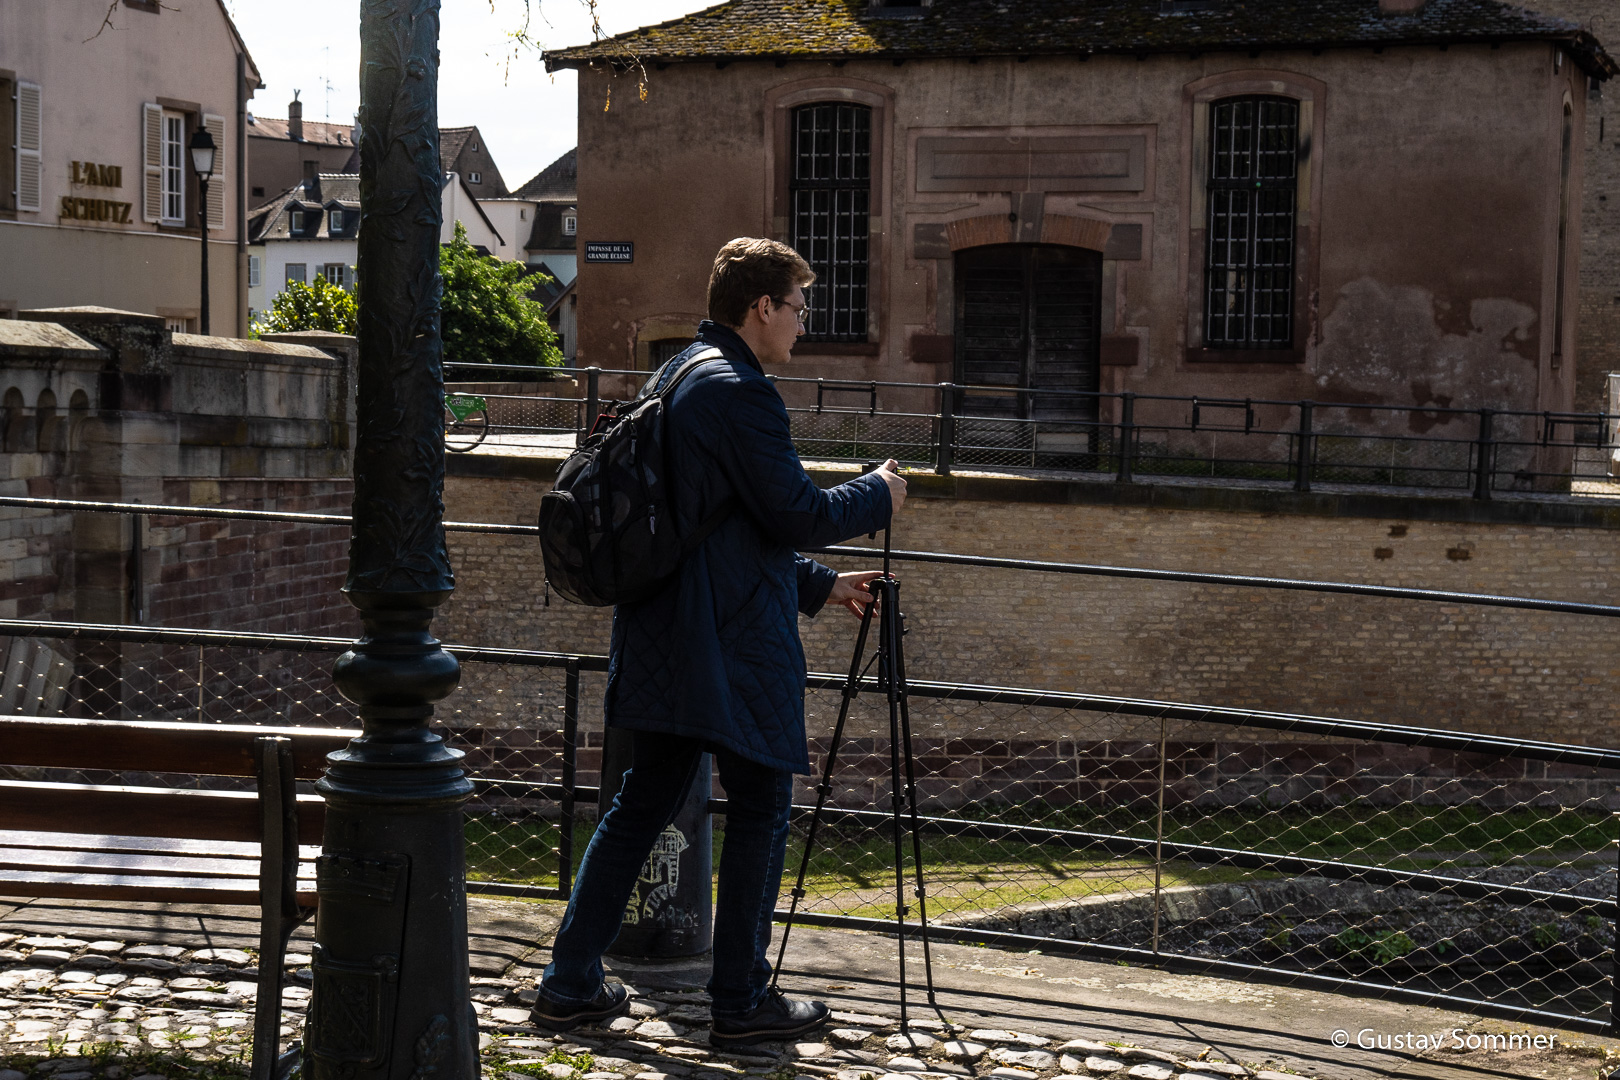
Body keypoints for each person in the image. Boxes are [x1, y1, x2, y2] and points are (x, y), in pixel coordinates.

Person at [529, 238, 907, 1047]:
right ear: (762, 307)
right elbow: (797, 511)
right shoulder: (742, 393)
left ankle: (568, 984)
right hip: (727, 644)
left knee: (639, 808)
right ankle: (739, 1002)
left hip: (671, 628)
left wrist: (820, 585)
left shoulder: (682, 372)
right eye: (799, 308)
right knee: (764, 804)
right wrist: (877, 492)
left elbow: (725, 523)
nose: (804, 325)